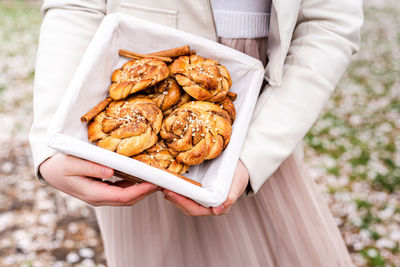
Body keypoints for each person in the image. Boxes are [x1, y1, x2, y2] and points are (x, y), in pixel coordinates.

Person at [30, 0, 363, 266]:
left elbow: (329, 21)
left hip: (265, 95)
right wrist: (51, 140)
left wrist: (254, 153)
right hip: (132, 84)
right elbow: (75, 6)